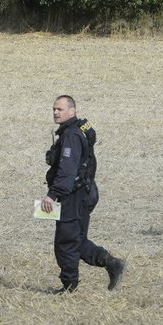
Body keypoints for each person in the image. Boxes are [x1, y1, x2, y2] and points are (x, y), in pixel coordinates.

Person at [39, 95, 126, 293]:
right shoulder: (76, 130)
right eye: (54, 109)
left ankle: (69, 286)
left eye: (60, 109)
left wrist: (52, 195)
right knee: (76, 239)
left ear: (72, 111)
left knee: (66, 242)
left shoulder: (70, 136)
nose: (55, 112)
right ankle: (112, 263)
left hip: (74, 196)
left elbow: (67, 171)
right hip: (84, 192)